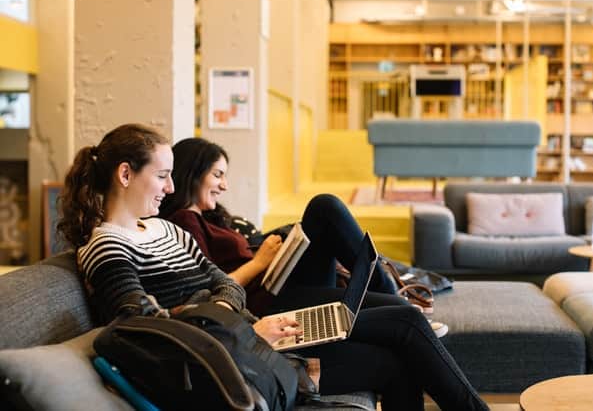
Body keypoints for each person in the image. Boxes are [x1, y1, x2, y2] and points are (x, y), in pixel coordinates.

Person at [57, 123, 488, 410]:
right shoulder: (106, 245)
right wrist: (240, 330)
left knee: (400, 343)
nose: (170, 187)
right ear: (126, 175)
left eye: (172, 176)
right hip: (231, 353)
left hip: (254, 335)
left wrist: (239, 321)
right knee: (406, 326)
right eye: (162, 175)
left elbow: (227, 286)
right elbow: (143, 328)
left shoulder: (168, 232)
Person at [159, 137, 448, 337]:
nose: (224, 185)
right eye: (217, 175)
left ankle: (395, 300)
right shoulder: (185, 221)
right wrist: (260, 262)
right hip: (267, 303)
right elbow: (209, 291)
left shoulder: (208, 218)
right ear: (194, 174)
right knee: (324, 207)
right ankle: (396, 299)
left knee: (322, 216)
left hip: (276, 286)